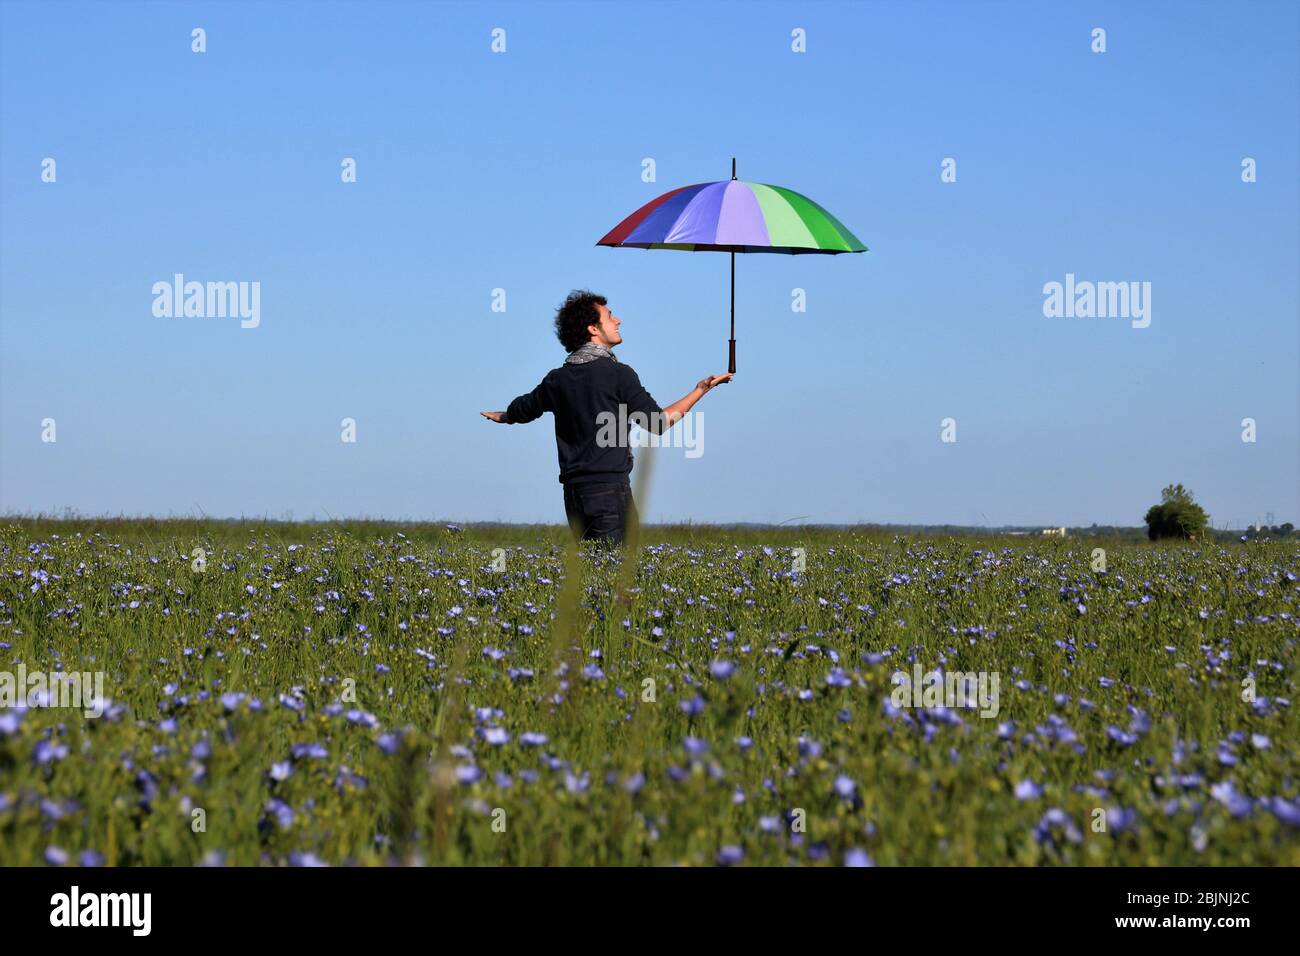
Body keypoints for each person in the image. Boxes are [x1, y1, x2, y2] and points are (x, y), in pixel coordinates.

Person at [481, 290, 732, 545]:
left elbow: (524, 408)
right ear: (593, 328)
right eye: (610, 316)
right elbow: (658, 423)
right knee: (617, 576)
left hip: (574, 496)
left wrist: (504, 416)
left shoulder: (557, 380)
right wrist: (701, 389)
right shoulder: (618, 375)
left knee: (592, 576)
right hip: (610, 493)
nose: (618, 320)